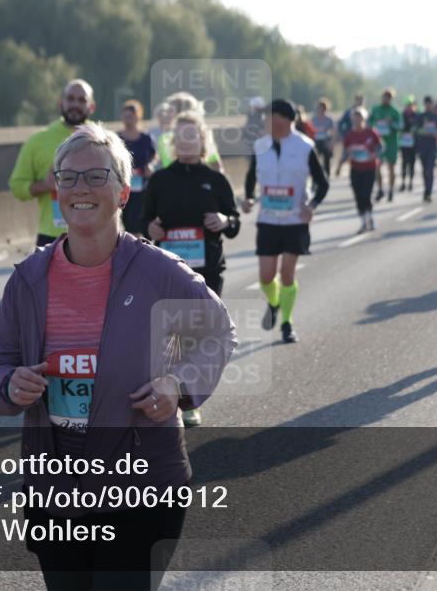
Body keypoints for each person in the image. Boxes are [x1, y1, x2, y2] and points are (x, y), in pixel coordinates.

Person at [0, 123, 236, 590]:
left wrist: (176, 385)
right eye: (68, 177)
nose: (81, 188)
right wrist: (10, 383)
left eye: (97, 177)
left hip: (142, 482)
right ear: (57, 190)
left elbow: (217, 332)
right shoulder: (28, 279)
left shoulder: (159, 272)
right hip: (55, 487)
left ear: (123, 193)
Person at [143, 112, 240, 427]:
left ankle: (189, 401)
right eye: (180, 135)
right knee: (172, 337)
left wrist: (225, 221)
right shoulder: (159, 180)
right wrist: (150, 228)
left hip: (208, 271)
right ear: (172, 142)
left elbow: (234, 220)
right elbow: (140, 221)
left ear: (202, 140)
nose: (186, 140)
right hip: (168, 272)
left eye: (192, 135)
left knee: (199, 337)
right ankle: (175, 398)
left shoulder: (215, 179)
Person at [241, 99, 329, 343]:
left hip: (294, 220)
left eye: (270, 117)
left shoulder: (304, 146)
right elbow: (250, 178)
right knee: (266, 276)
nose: (266, 122)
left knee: (287, 273)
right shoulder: (260, 146)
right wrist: (248, 198)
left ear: (283, 120)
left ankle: (287, 324)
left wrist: (311, 207)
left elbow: (323, 183)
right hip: (268, 220)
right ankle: (274, 301)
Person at [10, 79, 96, 247]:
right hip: (51, 237)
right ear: (60, 103)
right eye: (70, 99)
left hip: (95, 235)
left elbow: (121, 185)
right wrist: (45, 185)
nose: (75, 105)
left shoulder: (104, 140)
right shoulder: (38, 140)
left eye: (82, 100)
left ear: (92, 107)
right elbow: (16, 186)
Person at [116, 100, 157, 237]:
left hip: (141, 188)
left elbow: (153, 157)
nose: (128, 120)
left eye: (131, 116)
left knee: (137, 222)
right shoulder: (117, 138)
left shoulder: (145, 138)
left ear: (138, 117)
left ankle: (137, 249)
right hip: (121, 186)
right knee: (125, 221)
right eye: (125, 116)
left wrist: (150, 167)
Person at [155, 92, 224, 172]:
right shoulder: (164, 139)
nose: (167, 114)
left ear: (182, 112)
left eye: (171, 110)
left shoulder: (203, 137)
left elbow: (217, 167)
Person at [340, 108, 383, 233]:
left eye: (360, 118)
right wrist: (342, 161)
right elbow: (345, 151)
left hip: (369, 168)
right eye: (355, 118)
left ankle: (369, 218)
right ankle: (363, 222)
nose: (357, 121)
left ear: (364, 119)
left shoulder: (371, 133)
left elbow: (380, 147)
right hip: (355, 169)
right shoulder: (349, 135)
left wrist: (374, 155)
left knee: (366, 194)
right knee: (358, 195)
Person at [368, 88, 403, 202]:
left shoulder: (394, 111)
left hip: (391, 143)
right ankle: (380, 189)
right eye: (384, 97)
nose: (386, 99)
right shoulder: (376, 109)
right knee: (377, 167)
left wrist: (391, 123)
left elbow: (400, 126)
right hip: (378, 143)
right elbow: (368, 123)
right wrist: (375, 124)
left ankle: (391, 190)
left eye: (388, 97)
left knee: (391, 167)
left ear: (391, 99)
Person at [410, 96, 437, 202]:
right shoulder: (420, 116)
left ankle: (429, 192)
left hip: (432, 147)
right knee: (424, 170)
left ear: (432, 104)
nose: (428, 105)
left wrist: (436, 133)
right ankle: (426, 190)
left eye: (430, 103)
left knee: (430, 170)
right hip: (422, 146)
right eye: (426, 103)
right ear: (424, 104)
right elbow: (413, 129)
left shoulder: (436, 117)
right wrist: (423, 131)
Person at [310, 98, 335, 176]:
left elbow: (333, 132)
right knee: (314, 157)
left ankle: (327, 174)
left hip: (325, 140)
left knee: (326, 155)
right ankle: (316, 174)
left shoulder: (329, 119)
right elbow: (311, 131)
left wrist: (331, 143)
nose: (320, 110)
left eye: (322, 108)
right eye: (319, 108)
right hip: (316, 140)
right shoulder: (313, 119)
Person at [399, 96, 418, 192]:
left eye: (411, 105)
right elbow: (398, 127)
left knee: (412, 163)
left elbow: (418, 128)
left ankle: (410, 182)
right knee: (404, 163)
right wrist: (401, 132)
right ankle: (403, 182)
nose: (409, 107)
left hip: (413, 144)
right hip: (404, 143)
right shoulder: (402, 115)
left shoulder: (416, 116)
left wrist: (414, 132)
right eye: (408, 105)